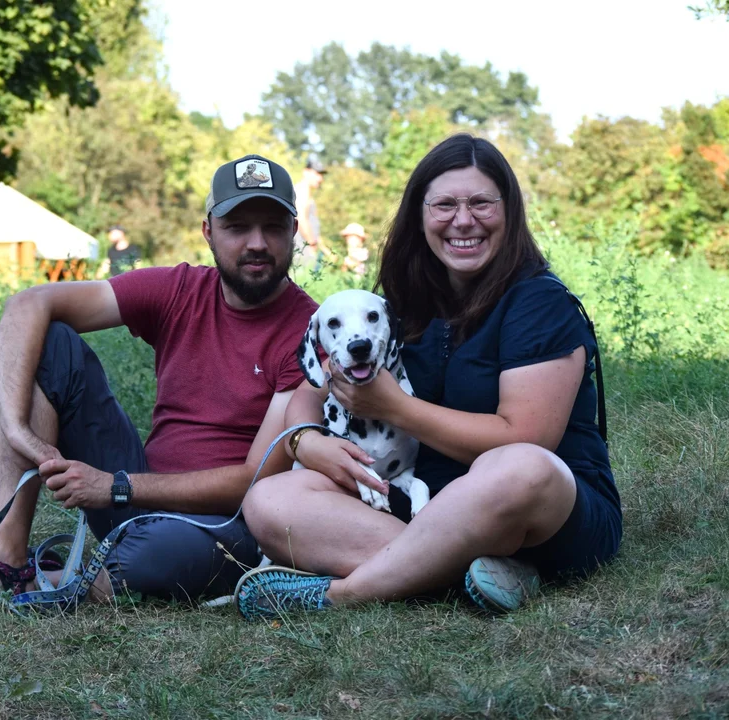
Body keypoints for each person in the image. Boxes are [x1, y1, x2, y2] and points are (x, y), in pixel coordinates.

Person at [236, 134, 622, 617]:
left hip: (545, 512)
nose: (463, 220)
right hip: (422, 503)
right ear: (419, 215)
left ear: (510, 211)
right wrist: (306, 441)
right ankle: (478, 573)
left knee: (520, 466)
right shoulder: (403, 303)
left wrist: (393, 406)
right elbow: (312, 388)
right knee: (272, 499)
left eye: (481, 202)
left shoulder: (538, 302)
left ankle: (339, 595)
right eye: (444, 205)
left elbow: (527, 437)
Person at [0, 154, 317, 613]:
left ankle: (54, 576)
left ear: (294, 231)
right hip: (139, 492)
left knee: (149, 561)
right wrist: (15, 428)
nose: (257, 243)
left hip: (225, 523)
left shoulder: (311, 330)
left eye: (272, 227)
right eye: (238, 227)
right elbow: (29, 304)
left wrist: (116, 486)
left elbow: (255, 480)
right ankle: (4, 554)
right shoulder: (180, 290)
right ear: (208, 232)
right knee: (50, 341)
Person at [293, 157, 328, 267]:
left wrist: (322, 247)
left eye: (321, 175)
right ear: (306, 172)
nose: (320, 178)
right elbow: (301, 218)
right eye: (317, 174)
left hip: (305, 247)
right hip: (302, 248)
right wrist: (311, 243)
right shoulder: (302, 190)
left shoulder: (306, 192)